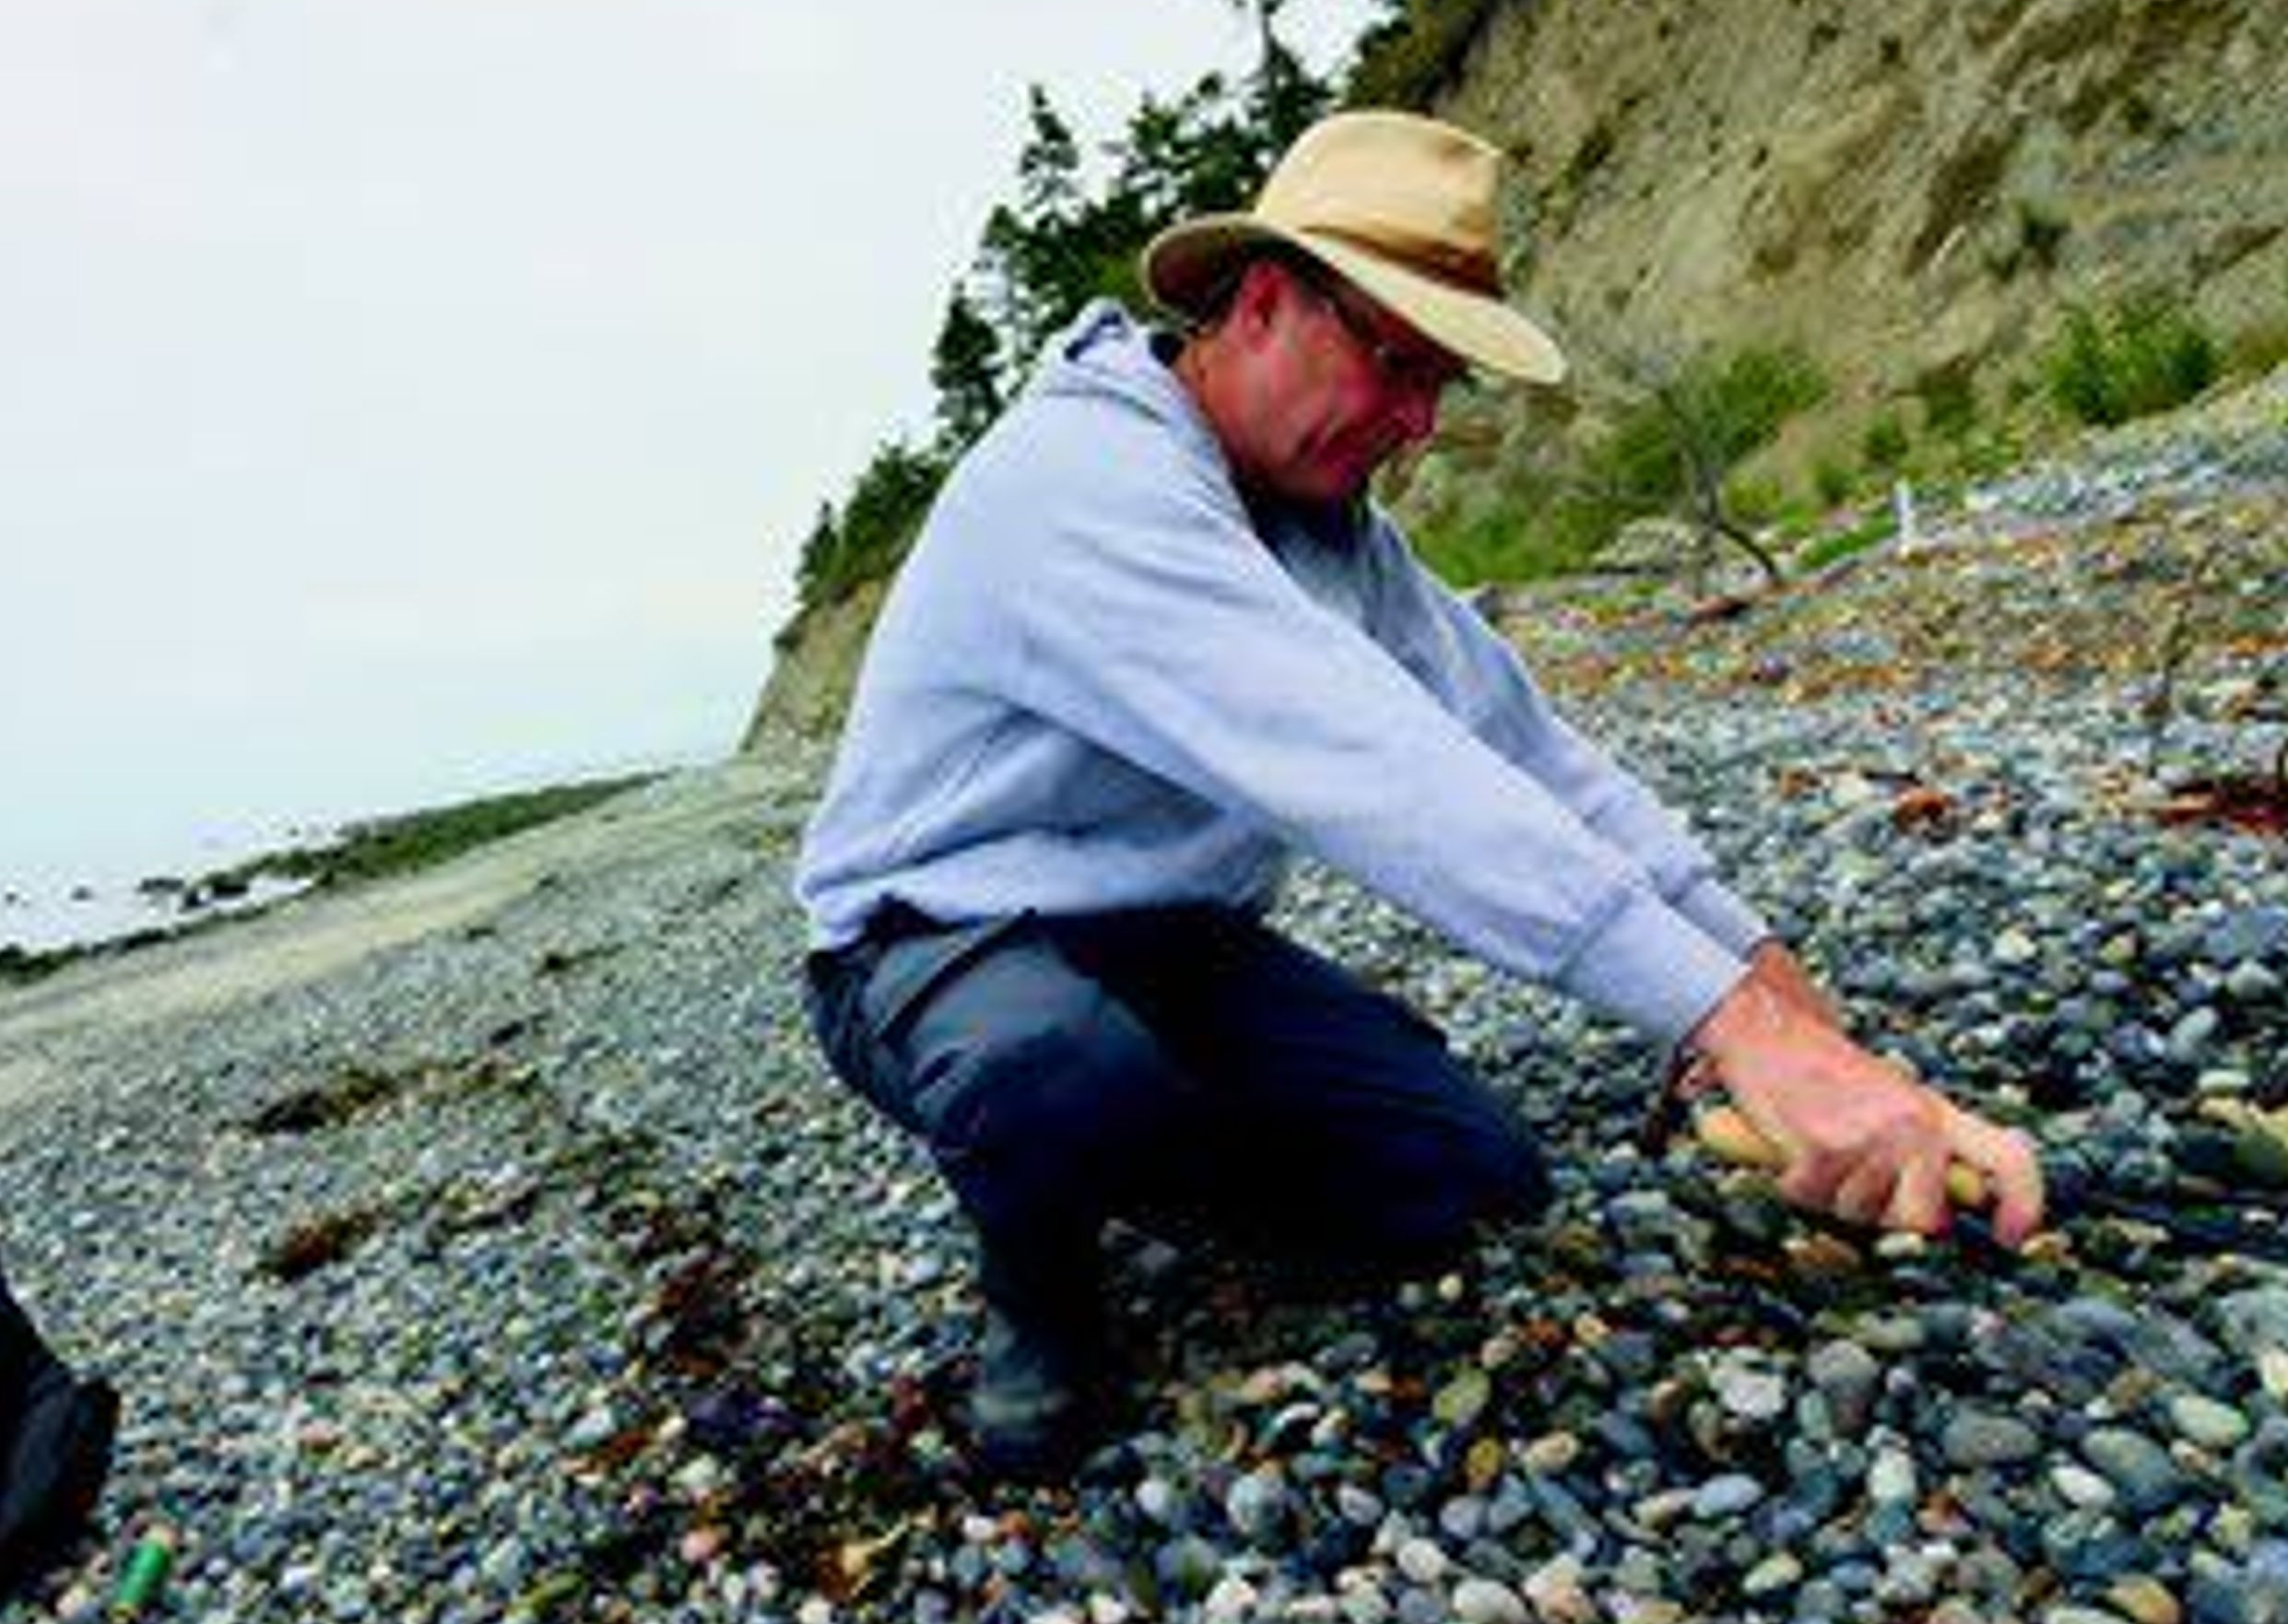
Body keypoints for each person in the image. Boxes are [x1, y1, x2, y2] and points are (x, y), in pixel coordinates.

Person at [795, 112, 2046, 1478]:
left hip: (1179, 945)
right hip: (940, 942)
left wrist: (1781, 999)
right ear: (1263, 302)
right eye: (1396, 365)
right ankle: (1041, 1297)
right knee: (1053, 1073)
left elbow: (1532, 760)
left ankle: (1140, 1148)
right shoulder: (1080, 487)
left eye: (1441, 385)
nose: (1416, 426)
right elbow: (1384, 775)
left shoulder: (1342, 540)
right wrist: (1731, 1031)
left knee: (1466, 1176)